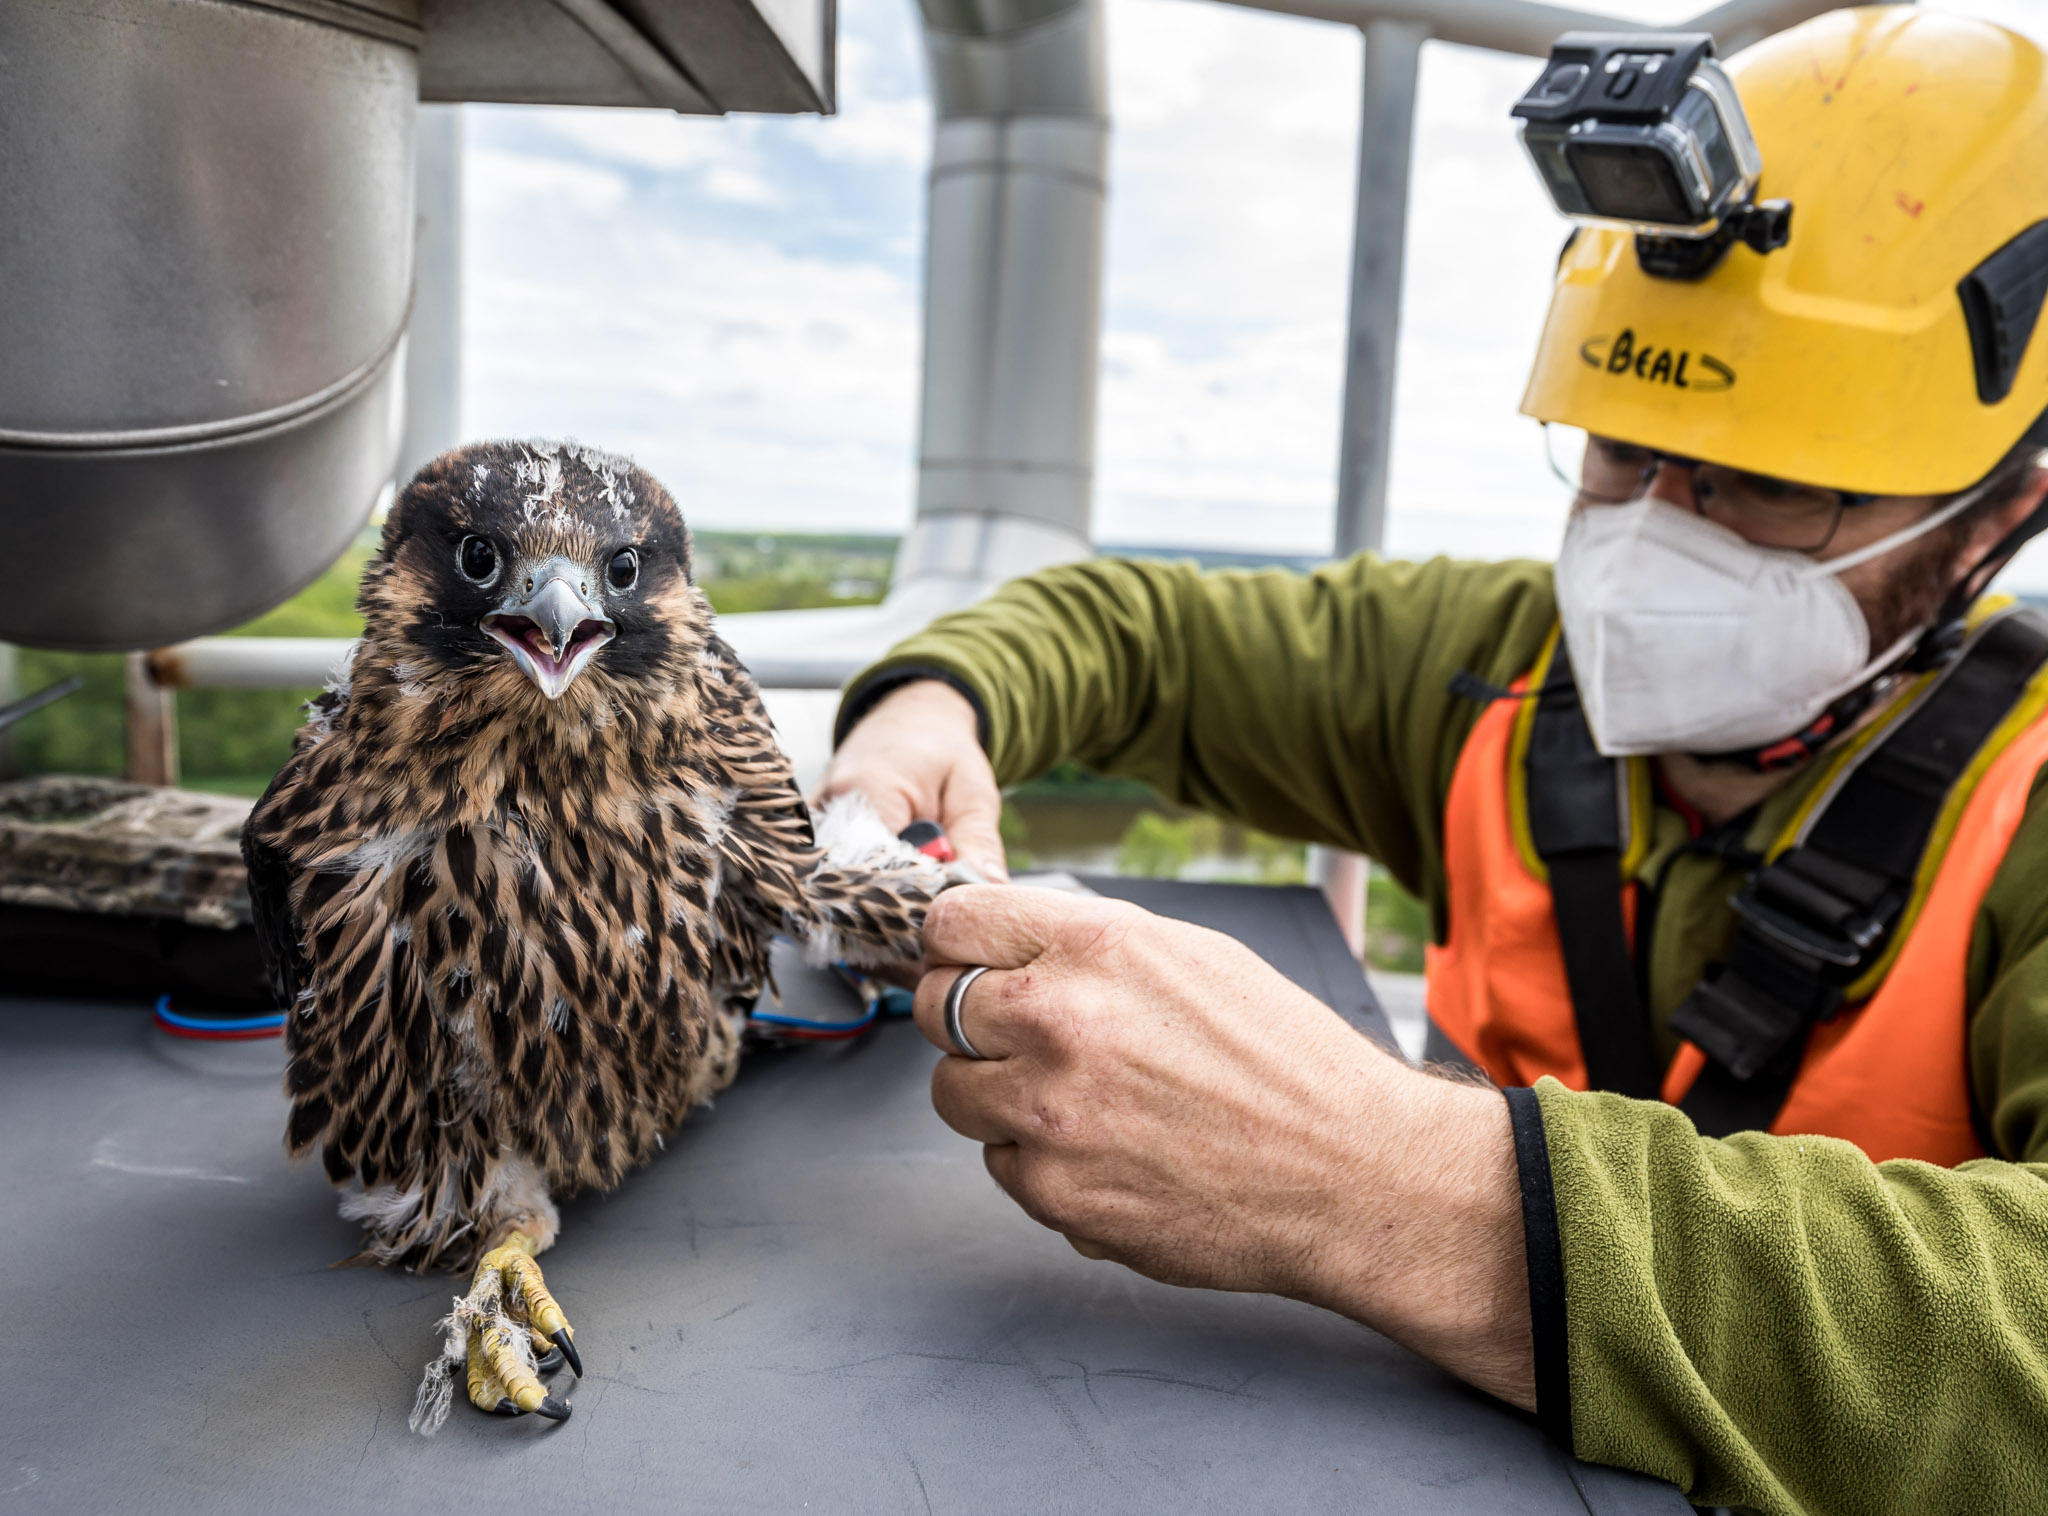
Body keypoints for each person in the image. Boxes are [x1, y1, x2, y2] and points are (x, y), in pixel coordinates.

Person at [822, 8, 2048, 1512]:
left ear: (1995, 517)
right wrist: (935, 701)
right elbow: (1139, 632)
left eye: (1765, 485)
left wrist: (1395, 1188)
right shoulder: (1505, 673)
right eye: (1614, 451)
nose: (1656, 532)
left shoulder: (2030, 805)